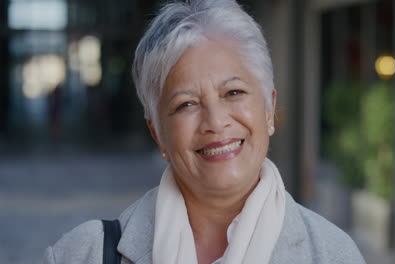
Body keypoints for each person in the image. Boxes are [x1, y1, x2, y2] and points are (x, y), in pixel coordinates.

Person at [43, 0, 365, 263]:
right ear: (158, 134)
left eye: (234, 93)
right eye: (186, 104)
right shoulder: (80, 255)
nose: (215, 121)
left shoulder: (333, 254)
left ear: (269, 109)